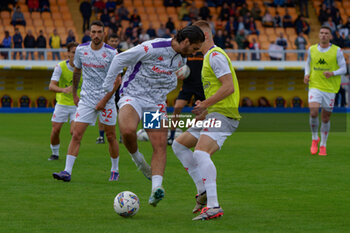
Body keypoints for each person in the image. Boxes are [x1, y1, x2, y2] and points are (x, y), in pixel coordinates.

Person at [102, 25, 205, 207]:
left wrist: (177, 76)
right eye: (195, 48)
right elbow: (119, 59)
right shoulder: (151, 47)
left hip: (155, 103)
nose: (194, 52)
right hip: (132, 96)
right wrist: (107, 85)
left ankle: (156, 189)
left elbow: (169, 76)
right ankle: (139, 161)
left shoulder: (182, 58)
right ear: (186, 42)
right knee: (127, 131)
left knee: (159, 145)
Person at [172, 20, 241, 221]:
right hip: (214, 113)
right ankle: (202, 190)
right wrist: (206, 107)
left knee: (201, 153)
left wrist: (206, 104)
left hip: (224, 115)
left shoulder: (215, 56)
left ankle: (213, 206)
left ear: (203, 36)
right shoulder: (208, 57)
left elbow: (229, 87)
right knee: (179, 145)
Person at [52, 20, 121, 182]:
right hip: (87, 99)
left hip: (107, 100)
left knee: (111, 136)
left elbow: (117, 80)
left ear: (104, 33)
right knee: (76, 134)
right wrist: (75, 94)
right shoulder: (81, 50)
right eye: (93, 32)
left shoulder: (112, 53)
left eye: (99, 32)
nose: (96, 35)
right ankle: (67, 172)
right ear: (90, 33)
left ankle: (115, 169)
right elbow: (77, 72)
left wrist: (104, 101)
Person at [304, 26, 346, 156]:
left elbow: (344, 69)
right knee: (313, 112)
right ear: (319, 35)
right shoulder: (312, 49)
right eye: (321, 33)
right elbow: (308, 63)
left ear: (330, 36)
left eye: (326, 33)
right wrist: (306, 74)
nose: (323, 35)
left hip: (329, 88)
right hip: (315, 86)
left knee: (326, 118)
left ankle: (323, 145)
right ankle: (314, 138)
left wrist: (333, 73)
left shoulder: (337, 51)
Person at [48, 42, 82, 161]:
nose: (75, 55)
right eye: (73, 52)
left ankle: (71, 157)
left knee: (75, 132)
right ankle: (55, 153)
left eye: (77, 52)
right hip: (62, 103)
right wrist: (63, 89)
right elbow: (51, 86)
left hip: (78, 104)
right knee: (56, 130)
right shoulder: (60, 66)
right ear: (68, 54)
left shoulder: (84, 68)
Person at [168, 51, 205, 145]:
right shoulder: (186, 52)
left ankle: (195, 136)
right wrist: (178, 72)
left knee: (201, 113)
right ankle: (171, 137)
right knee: (177, 108)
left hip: (201, 86)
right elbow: (177, 65)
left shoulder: (203, 52)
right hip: (187, 85)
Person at [96, 33, 121, 144]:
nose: (114, 43)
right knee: (101, 111)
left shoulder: (120, 54)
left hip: (118, 88)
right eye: (112, 40)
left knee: (120, 112)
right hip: (105, 88)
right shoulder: (103, 53)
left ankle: (121, 136)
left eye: (116, 41)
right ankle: (101, 136)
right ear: (108, 41)